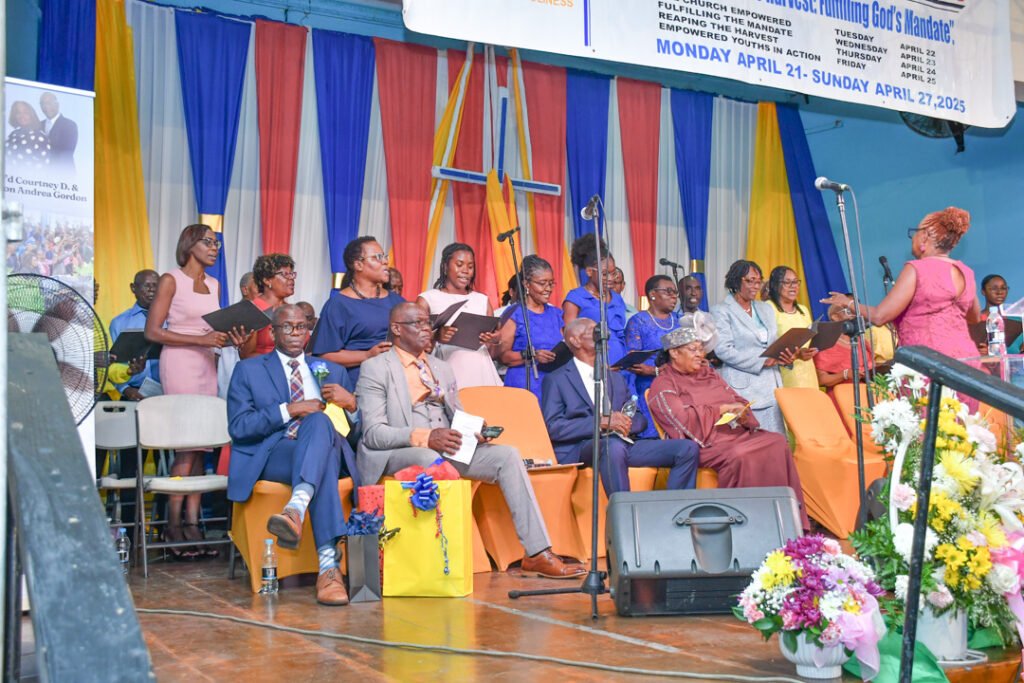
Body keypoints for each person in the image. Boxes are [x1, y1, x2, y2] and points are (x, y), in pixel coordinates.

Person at [356, 303, 585, 579]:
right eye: (417, 323)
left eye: (428, 323)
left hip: (446, 445)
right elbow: (373, 433)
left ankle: (537, 553)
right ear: (396, 329)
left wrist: (474, 428)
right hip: (400, 450)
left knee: (507, 455)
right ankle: (441, 564)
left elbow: (456, 413)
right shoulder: (376, 368)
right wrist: (427, 437)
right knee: (432, 460)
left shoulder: (441, 367)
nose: (427, 329)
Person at [227, 305, 358, 606]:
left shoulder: (333, 371)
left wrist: (352, 404)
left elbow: (355, 434)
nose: (296, 332)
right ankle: (329, 568)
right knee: (320, 460)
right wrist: (289, 409)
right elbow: (239, 427)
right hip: (276, 453)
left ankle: (295, 509)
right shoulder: (249, 370)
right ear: (272, 332)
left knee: (320, 423)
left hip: (328, 448)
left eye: (302, 326)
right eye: (287, 327)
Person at [648, 314, 809, 530]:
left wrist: (742, 412)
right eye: (693, 350)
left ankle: (785, 522)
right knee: (740, 455)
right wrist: (719, 410)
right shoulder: (664, 383)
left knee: (777, 442)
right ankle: (744, 525)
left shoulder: (709, 374)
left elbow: (736, 398)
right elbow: (680, 420)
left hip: (736, 434)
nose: (700, 354)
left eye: (701, 349)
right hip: (706, 443)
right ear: (674, 353)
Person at [145, 224, 247, 559]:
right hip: (179, 361)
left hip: (207, 362)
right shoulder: (170, 279)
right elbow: (153, 332)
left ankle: (194, 525)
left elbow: (210, 329)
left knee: (203, 448)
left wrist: (228, 338)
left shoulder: (215, 283)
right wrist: (200, 340)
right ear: (189, 244)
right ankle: (172, 527)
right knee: (186, 449)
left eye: (217, 243)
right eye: (208, 242)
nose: (215, 248)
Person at [541, 318, 699, 495]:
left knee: (686, 449)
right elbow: (553, 427)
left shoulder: (615, 377)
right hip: (583, 447)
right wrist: (601, 422)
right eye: (594, 331)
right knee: (612, 446)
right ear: (575, 340)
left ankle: (676, 514)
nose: (603, 335)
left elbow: (639, 417)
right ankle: (623, 513)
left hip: (622, 443)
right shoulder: (557, 379)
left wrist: (627, 422)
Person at [821, 207, 981, 368]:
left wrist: (847, 303)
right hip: (965, 362)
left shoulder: (917, 269)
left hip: (930, 361)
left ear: (924, 236)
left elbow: (879, 316)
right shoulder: (966, 272)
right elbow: (974, 317)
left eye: (915, 232)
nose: (912, 238)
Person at [710, 260, 798, 434]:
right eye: (750, 281)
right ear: (736, 281)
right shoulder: (721, 310)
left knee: (777, 439)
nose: (755, 286)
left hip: (772, 385)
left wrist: (786, 356)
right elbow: (723, 350)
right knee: (753, 440)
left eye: (758, 281)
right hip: (744, 386)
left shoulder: (765, 308)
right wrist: (763, 362)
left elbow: (774, 344)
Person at [312, 236, 403, 384]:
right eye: (377, 257)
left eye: (385, 257)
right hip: (359, 383)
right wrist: (367, 355)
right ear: (358, 265)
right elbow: (325, 356)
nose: (385, 262)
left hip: (398, 379)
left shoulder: (396, 301)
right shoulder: (339, 305)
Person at [416, 243, 501, 388]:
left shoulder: (482, 300)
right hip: (446, 369)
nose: (466, 271)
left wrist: (495, 339)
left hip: (482, 370)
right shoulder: (427, 299)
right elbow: (412, 341)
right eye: (459, 264)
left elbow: (495, 345)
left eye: (470, 266)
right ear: (445, 267)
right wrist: (436, 336)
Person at [498, 255, 563, 403]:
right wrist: (531, 355)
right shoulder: (514, 314)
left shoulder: (557, 314)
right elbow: (502, 356)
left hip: (553, 385)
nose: (548, 289)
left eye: (551, 283)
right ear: (526, 284)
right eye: (542, 283)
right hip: (524, 384)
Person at [624, 275, 680, 439]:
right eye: (668, 291)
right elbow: (632, 361)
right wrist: (655, 371)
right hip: (649, 385)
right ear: (652, 295)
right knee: (656, 437)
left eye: (675, 292)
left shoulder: (679, 320)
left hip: (677, 383)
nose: (673, 296)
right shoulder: (638, 321)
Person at [562, 235, 629, 371]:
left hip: (620, 367)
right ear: (589, 272)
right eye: (605, 274)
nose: (611, 279)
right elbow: (570, 338)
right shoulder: (575, 298)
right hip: (593, 366)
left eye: (613, 273)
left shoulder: (617, 298)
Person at [109, 269, 161, 401]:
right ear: (133, 288)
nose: (152, 290)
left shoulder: (172, 319)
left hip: (167, 393)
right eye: (146, 285)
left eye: (156, 285)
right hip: (133, 394)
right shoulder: (118, 323)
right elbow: (111, 364)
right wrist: (125, 389)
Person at [767, 266, 818, 389]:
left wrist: (812, 350)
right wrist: (797, 354)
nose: (793, 286)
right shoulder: (768, 308)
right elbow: (766, 345)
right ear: (775, 285)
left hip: (808, 371)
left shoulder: (803, 310)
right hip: (784, 373)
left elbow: (810, 339)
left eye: (795, 282)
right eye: (787, 282)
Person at [241, 254, 296, 359]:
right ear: (267, 280)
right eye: (285, 274)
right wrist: (283, 361)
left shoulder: (292, 310)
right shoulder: (253, 309)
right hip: (262, 371)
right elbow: (246, 356)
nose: (291, 279)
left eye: (292, 274)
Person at [815, 304, 873, 401]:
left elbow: (871, 368)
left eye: (855, 312)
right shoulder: (825, 341)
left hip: (864, 394)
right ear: (835, 317)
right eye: (848, 312)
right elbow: (821, 379)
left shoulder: (861, 340)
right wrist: (844, 375)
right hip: (840, 396)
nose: (853, 316)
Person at [5, 101, 50, 169]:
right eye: (18, 112)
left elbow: (43, 168)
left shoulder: (39, 137)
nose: (22, 116)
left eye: (26, 113)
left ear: (32, 115)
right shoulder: (12, 135)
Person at [39, 92, 77, 167]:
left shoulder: (70, 125)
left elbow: (67, 153)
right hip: (39, 175)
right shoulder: (38, 125)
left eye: (49, 103)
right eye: (42, 104)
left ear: (57, 105)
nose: (46, 107)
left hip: (63, 173)